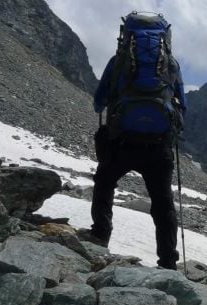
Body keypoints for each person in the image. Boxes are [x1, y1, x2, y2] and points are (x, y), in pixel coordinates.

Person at [80, 12, 187, 270]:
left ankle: (100, 235)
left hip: (121, 143)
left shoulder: (118, 62)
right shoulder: (171, 65)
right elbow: (182, 105)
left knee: (104, 183)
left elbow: (99, 101)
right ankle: (168, 263)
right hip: (159, 147)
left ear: (127, 36)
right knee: (163, 205)